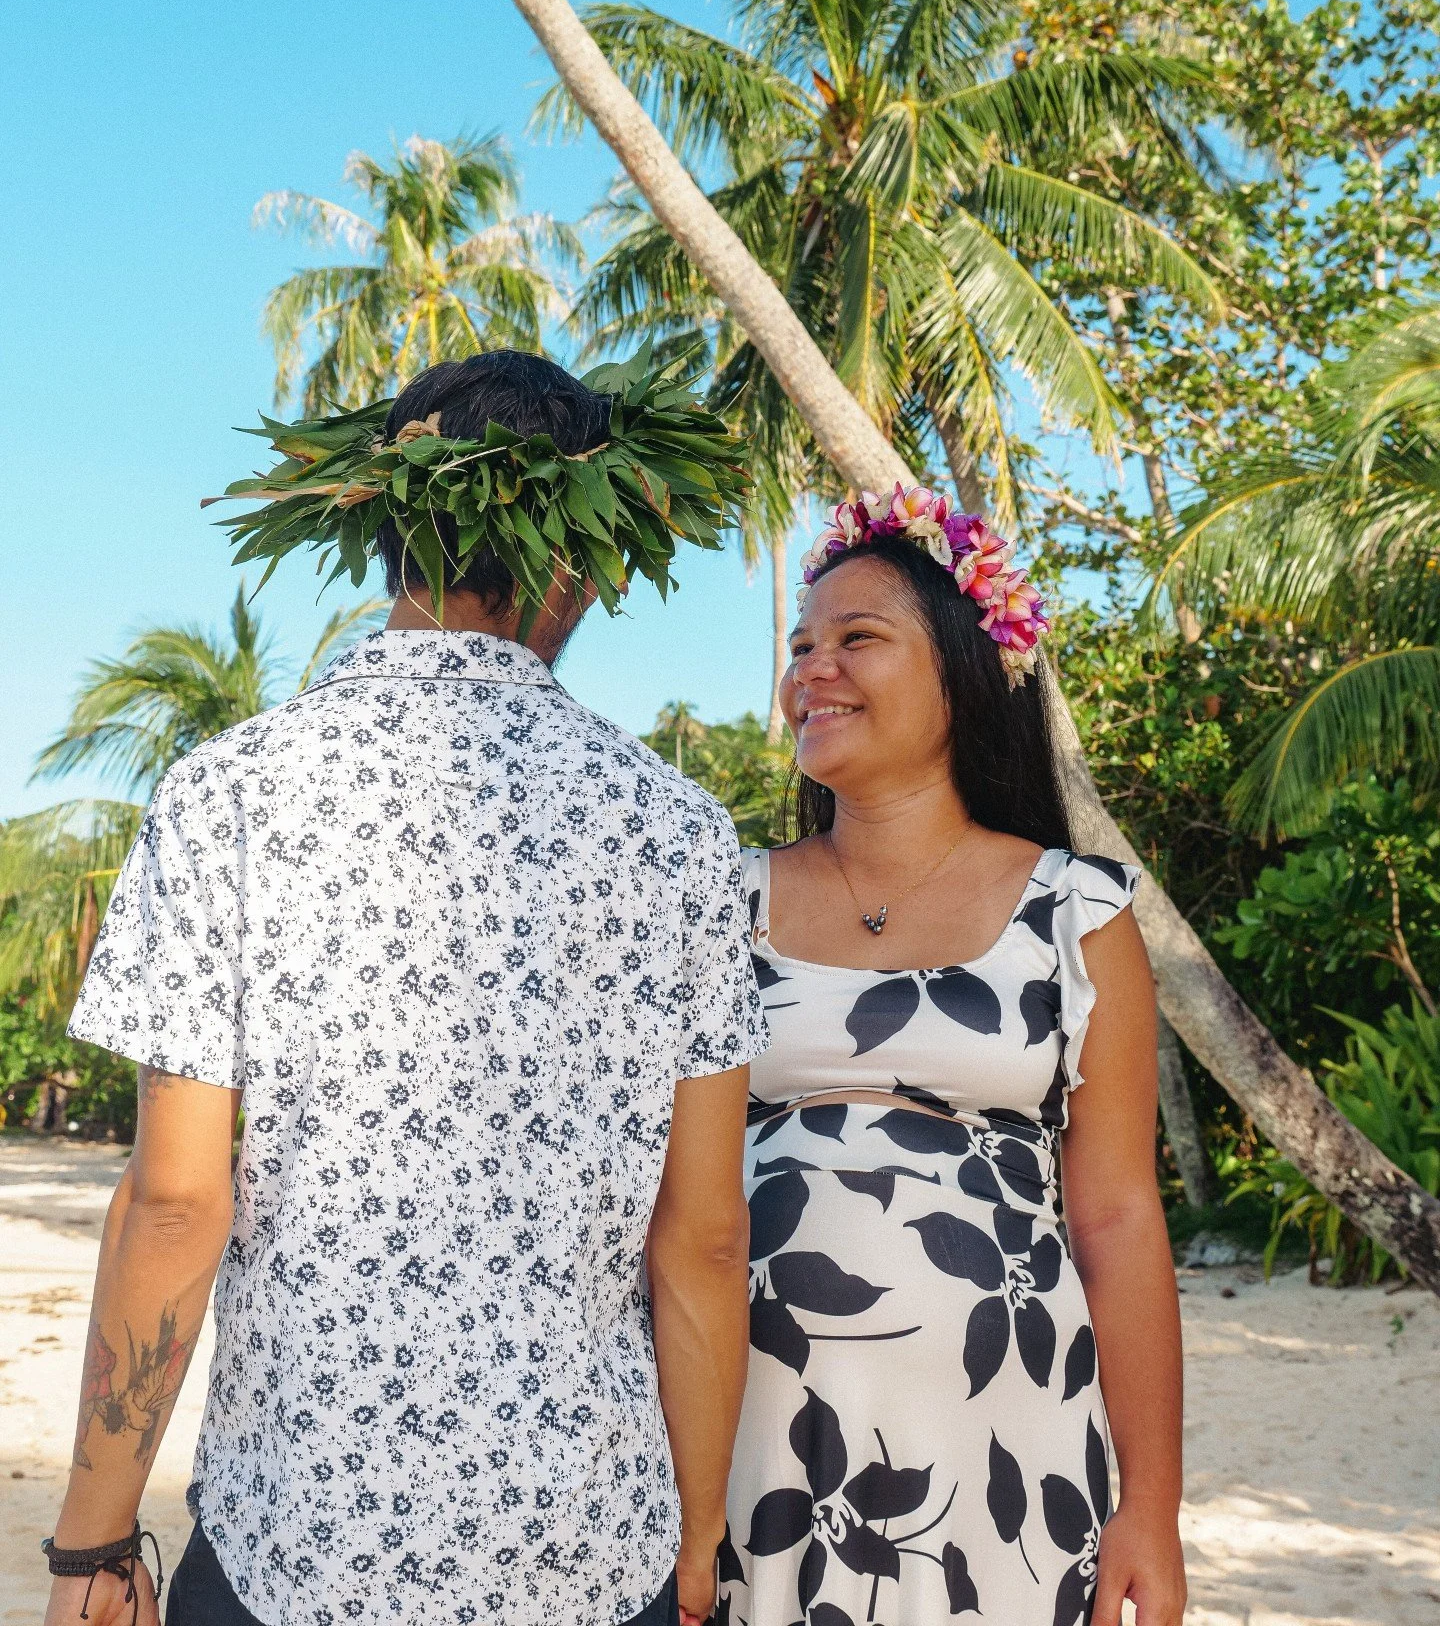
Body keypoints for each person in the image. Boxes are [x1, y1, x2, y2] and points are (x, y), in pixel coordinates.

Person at [43, 352, 767, 1626]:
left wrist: (91, 1549)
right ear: (580, 554)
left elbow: (174, 1206)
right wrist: (697, 1535)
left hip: (299, 1549)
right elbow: (701, 1241)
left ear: (385, 523)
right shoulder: (681, 831)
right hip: (590, 1544)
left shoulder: (232, 794)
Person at [720, 488, 1186, 1626]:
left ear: (963, 673)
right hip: (747, 1447)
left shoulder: (1078, 915)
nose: (811, 671)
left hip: (1008, 1434)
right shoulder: (717, 901)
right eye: (800, 647)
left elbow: (1118, 1218)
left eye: (856, 639)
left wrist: (1153, 1512)